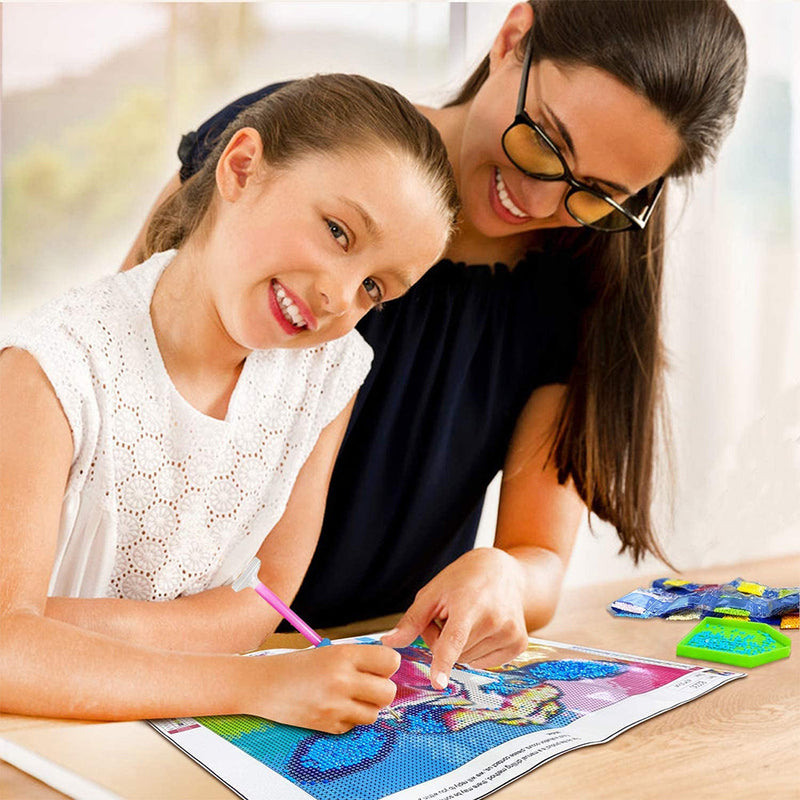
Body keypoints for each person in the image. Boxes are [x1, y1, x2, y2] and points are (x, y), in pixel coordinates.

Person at [123, 0, 747, 693]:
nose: (539, 200)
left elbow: (536, 553)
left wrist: (505, 575)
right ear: (514, 39)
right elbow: (105, 376)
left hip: (369, 685)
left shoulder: (574, 283)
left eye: (597, 193)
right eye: (544, 140)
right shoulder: (301, 145)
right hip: (161, 653)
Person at [0, 74, 460, 733]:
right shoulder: (50, 369)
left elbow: (262, 599)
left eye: (375, 290)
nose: (339, 298)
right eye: (337, 231)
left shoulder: (329, 371)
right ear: (242, 168)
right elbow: (8, 650)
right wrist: (248, 679)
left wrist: (55, 628)